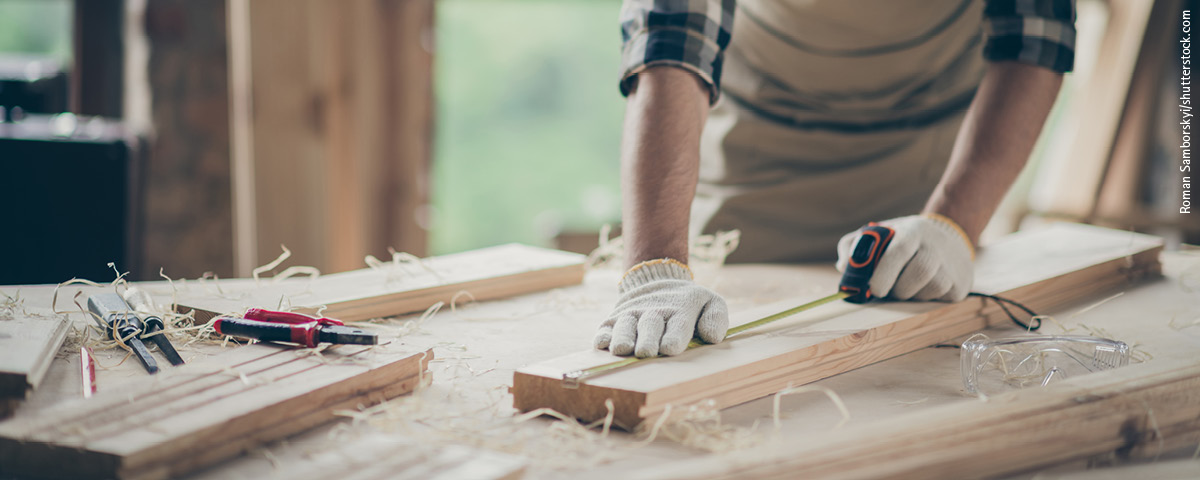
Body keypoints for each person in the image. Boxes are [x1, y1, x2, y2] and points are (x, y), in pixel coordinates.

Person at [594, 0, 1076, 358]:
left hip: (928, 171)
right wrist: (655, 269)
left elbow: (1034, 41)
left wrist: (955, 224)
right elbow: (672, 43)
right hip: (758, 169)